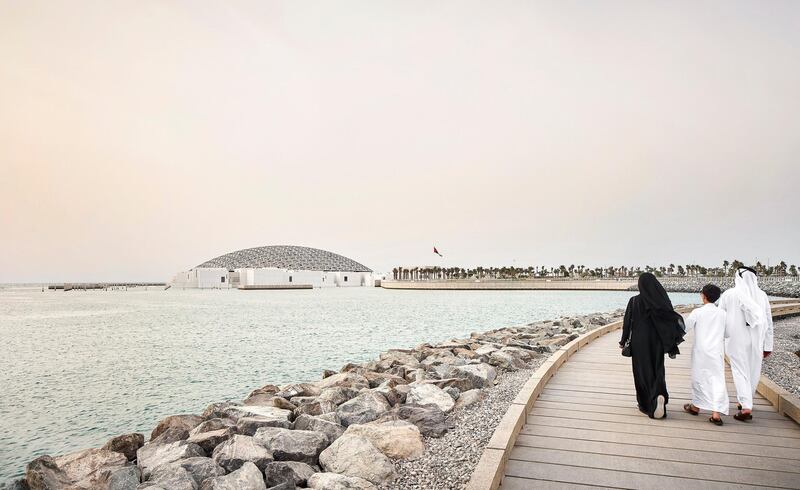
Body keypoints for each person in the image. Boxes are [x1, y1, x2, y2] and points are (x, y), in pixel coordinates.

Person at [620, 273, 686, 419]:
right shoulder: (661, 300)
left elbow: (627, 323)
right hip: (657, 341)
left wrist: (623, 341)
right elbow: (670, 318)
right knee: (657, 368)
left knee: (642, 372)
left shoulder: (634, 301)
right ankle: (659, 394)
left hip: (639, 342)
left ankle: (646, 404)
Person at [718, 266, 773, 421]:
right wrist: (768, 345)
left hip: (735, 339)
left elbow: (720, 317)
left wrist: (717, 338)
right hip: (757, 339)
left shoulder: (729, 294)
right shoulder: (762, 296)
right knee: (753, 370)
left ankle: (746, 406)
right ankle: (746, 401)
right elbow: (769, 321)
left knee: (740, 371)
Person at [683, 284, 727, 425]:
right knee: (717, 380)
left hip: (701, 351)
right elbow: (728, 333)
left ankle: (696, 407)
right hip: (716, 351)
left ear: (703, 296)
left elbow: (685, 328)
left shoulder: (697, 312)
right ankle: (716, 413)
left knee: (699, 378)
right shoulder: (723, 313)